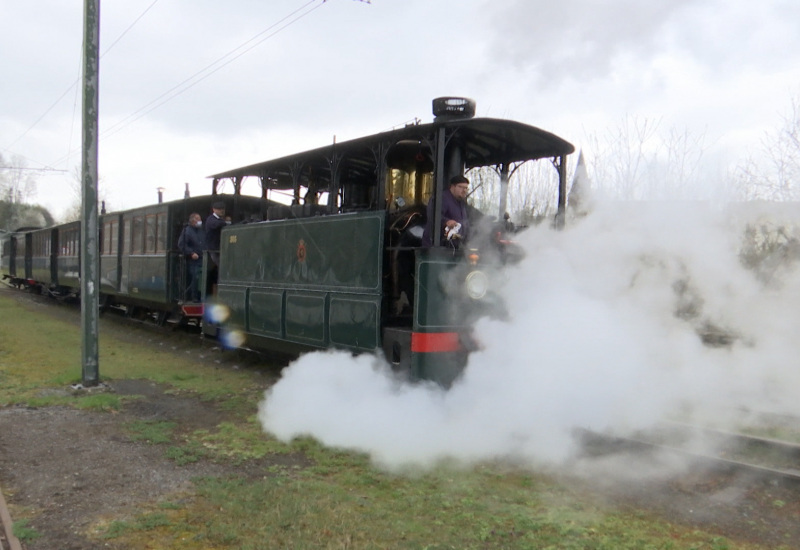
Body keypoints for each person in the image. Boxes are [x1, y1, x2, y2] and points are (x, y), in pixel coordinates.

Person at [422, 175, 470, 247]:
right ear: (452, 187)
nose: (464, 190)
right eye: (461, 187)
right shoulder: (441, 198)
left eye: (466, 188)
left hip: (454, 245)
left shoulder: (462, 203)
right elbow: (432, 214)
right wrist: (446, 221)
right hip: (437, 244)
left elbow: (472, 215)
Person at [177, 213, 205, 302]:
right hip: (193, 260)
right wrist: (191, 253)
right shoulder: (187, 231)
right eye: (198, 219)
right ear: (193, 220)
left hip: (203, 258)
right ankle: (194, 297)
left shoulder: (201, 231)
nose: (200, 221)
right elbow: (181, 244)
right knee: (195, 277)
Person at [204, 201, 230, 293]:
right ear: (214, 210)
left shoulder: (221, 220)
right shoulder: (211, 219)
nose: (222, 211)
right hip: (213, 249)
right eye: (219, 209)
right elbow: (216, 225)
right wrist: (226, 223)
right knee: (220, 266)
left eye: (223, 209)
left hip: (220, 248)